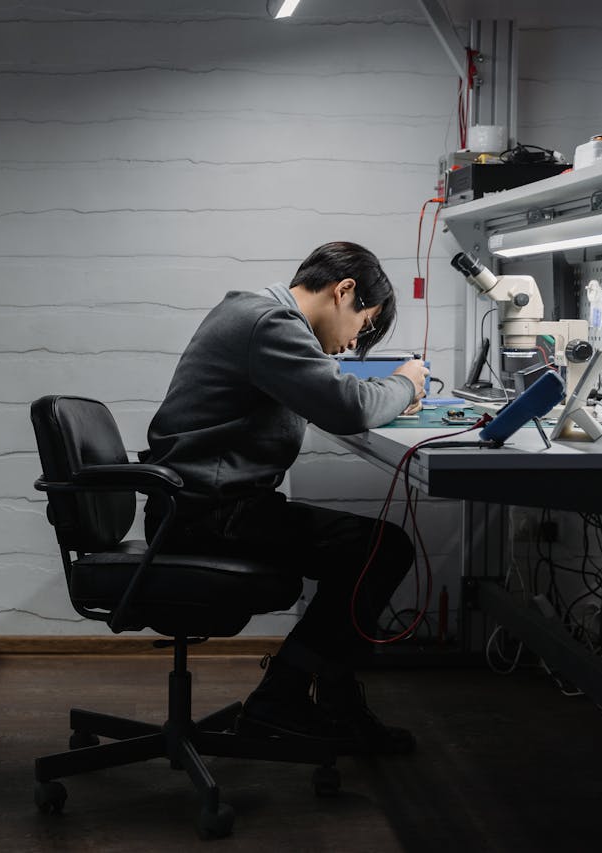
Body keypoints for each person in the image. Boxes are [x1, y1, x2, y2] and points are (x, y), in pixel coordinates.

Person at [141, 241, 429, 754]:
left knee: (372, 548)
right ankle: (288, 698)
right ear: (344, 292)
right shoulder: (270, 323)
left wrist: (377, 399)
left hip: (202, 507)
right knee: (383, 549)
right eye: (361, 326)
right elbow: (347, 406)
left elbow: (339, 396)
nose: (348, 345)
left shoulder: (256, 315)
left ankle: (322, 697)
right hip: (211, 514)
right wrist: (405, 384)